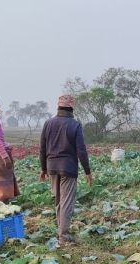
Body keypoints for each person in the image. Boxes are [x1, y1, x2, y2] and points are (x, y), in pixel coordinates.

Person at [39, 94, 92, 245]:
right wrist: (87, 171)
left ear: (59, 108)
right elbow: (81, 150)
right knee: (67, 202)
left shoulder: (48, 123)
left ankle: (61, 233)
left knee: (58, 201)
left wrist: (43, 168)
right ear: (71, 108)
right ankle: (64, 236)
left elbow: (42, 149)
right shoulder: (74, 125)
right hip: (68, 167)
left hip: (52, 167)